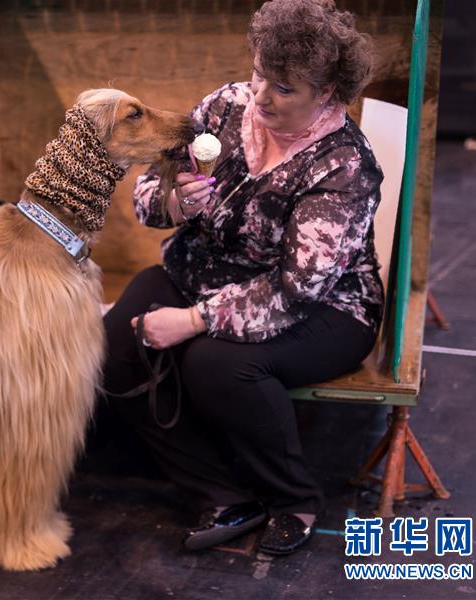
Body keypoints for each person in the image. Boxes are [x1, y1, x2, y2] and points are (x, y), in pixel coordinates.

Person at [102, 0, 383, 556]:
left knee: (218, 362)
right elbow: (148, 193)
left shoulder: (344, 166)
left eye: (282, 88)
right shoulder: (226, 106)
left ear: (325, 91)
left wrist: (192, 320)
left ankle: (294, 498)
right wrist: (175, 202)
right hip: (206, 272)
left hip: (324, 307)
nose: (259, 96)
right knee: (113, 343)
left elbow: (298, 286)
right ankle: (223, 493)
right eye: (258, 74)